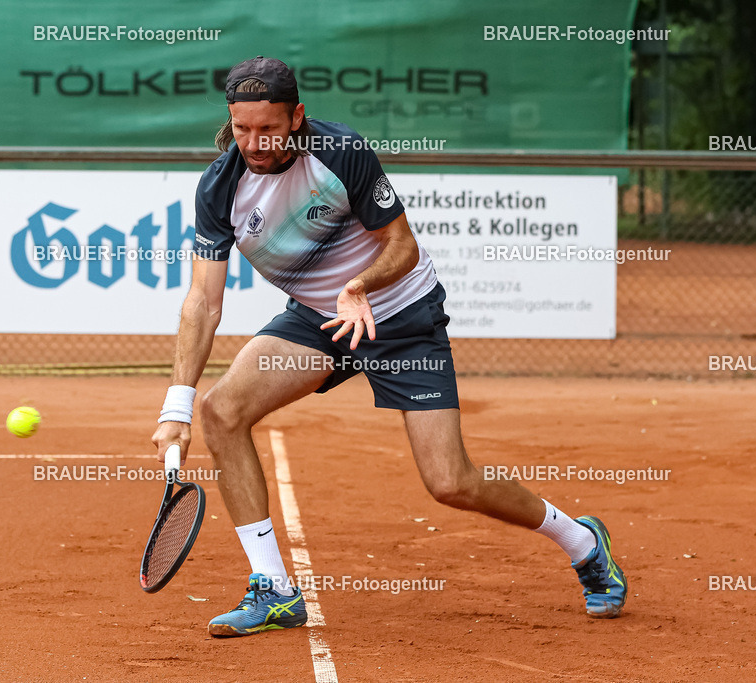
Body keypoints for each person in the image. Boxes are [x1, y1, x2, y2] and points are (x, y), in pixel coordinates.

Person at [152, 56, 627, 637]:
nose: (254, 141)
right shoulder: (220, 187)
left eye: (269, 127)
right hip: (320, 322)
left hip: (400, 314)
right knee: (220, 412)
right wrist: (175, 406)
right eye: (243, 128)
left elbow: (399, 245)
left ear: (296, 117)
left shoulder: (341, 153)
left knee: (451, 482)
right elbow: (203, 300)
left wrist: (357, 287)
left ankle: (582, 541)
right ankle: (274, 590)